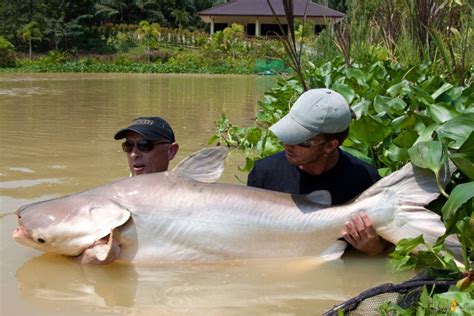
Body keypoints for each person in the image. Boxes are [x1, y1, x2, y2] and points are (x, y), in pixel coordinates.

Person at [247, 88, 388, 255]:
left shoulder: (365, 179)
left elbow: (385, 248)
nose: (287, 145)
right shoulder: (264, 173)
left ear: (330, 145)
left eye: (301, 141)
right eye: (289, 133)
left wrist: (375, 249)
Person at [114, 116, 179, 176]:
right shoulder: (116, 188)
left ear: (171, 151)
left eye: (144, 145)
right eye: (129, 145)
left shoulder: (183, 187)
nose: (133, 154)